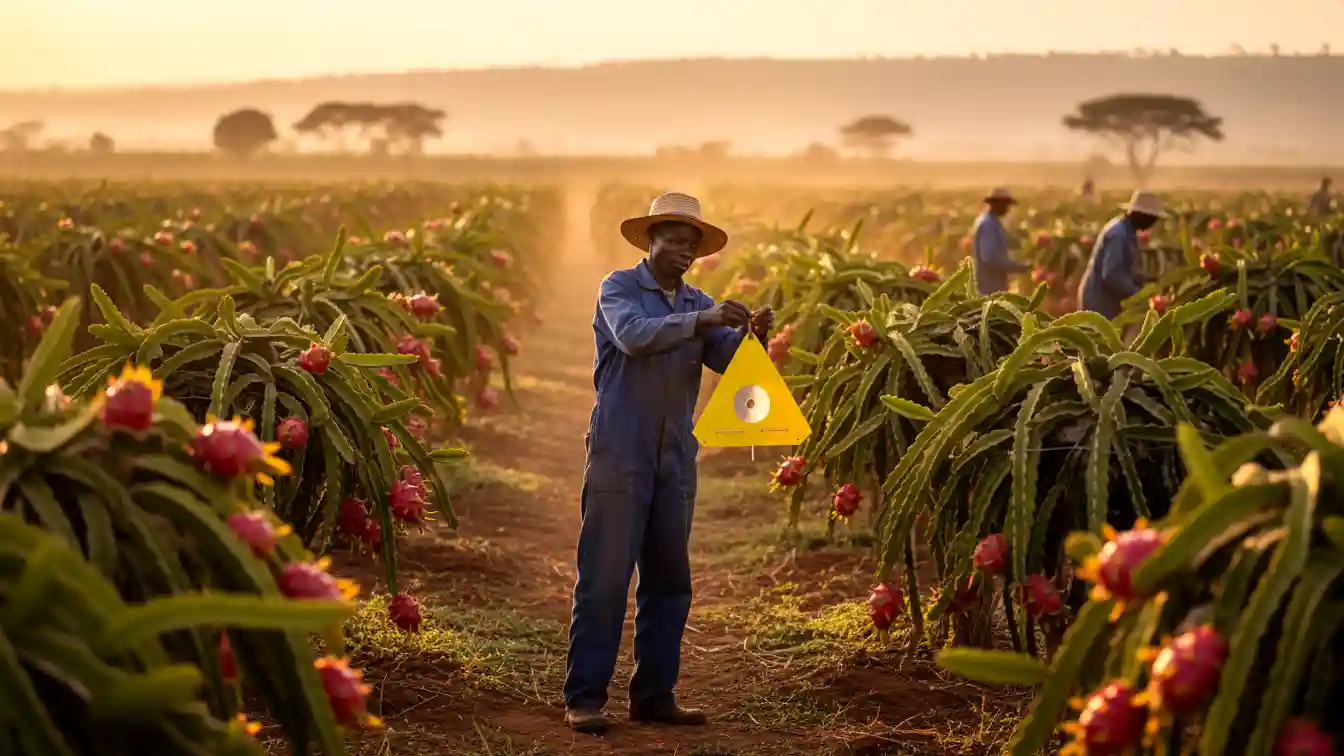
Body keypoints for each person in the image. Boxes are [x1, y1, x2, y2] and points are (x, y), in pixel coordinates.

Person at [564, 192, 774, 734]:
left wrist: (755, 337)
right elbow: (634, 339)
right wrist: (704, 319)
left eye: (692, 244)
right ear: (649, 240)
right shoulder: (618, 289)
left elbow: (730, 364)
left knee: (669, 580)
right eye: (674, 240)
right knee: (605, 579)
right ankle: (585, 696)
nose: (684, 251)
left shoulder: (696, 300)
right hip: (619, 452)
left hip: (676, 456)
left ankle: (654, 695)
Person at [1078, 190, 1165, 319]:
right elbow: (1111, 274)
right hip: (1100, 301)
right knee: (1100, 337)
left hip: (1107, 300)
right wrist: (1139, 294)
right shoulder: (1118, 234)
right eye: (1152, 219)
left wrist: (1145, 279)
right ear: (1141, 215)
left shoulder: (1127, 231)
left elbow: (1124, 269)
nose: (1152, 224)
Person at [970, 187, 1028, 295]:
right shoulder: (988, 224)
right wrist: (1018, 266)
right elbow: (990, 257)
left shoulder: (992, 222)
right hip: (989, 288)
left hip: (994, 285)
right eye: (1005, 205)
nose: (1007, 209)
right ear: (996, 204)